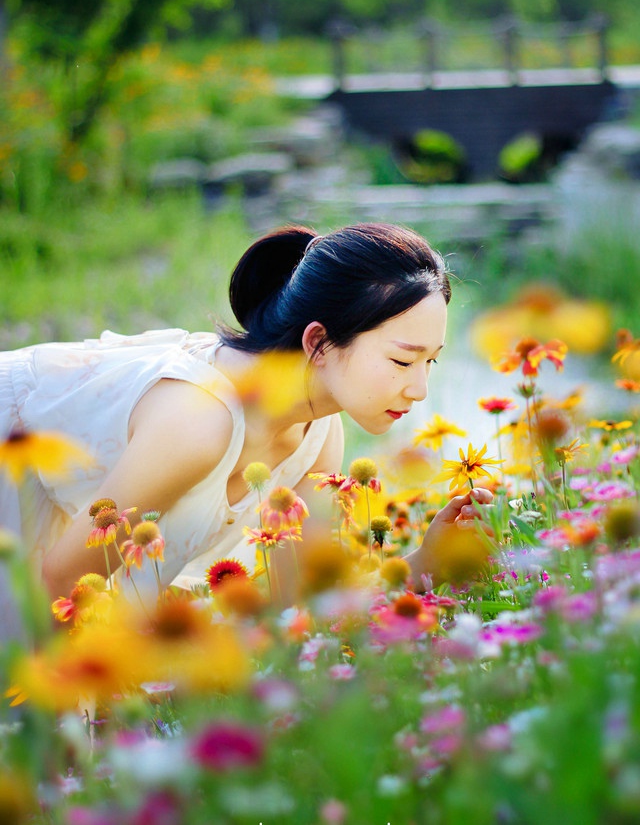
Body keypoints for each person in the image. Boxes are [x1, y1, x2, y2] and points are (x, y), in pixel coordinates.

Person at [0, 222, 492, 625]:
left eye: (432, 362)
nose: (419, 389)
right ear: (319, 342)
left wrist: (425, 564)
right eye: (403, 361)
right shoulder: (198, 423)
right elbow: (62, 581)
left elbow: (299, 603)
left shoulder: (318, 435)